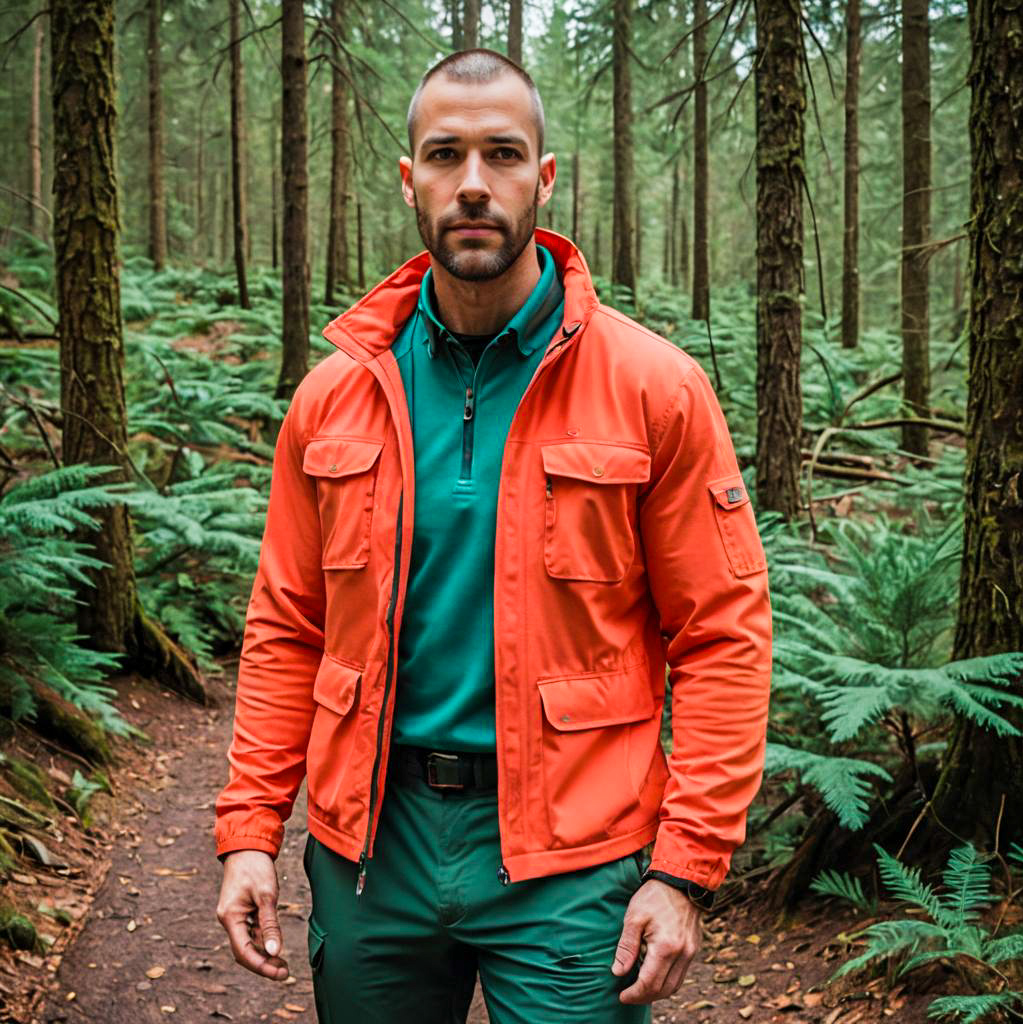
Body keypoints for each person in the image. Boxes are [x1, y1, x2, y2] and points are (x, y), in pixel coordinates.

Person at [214, 48, 772, 1024]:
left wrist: (683, 868)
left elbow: (724, 632)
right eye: (445, 154)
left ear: (544, 178)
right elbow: (287, 629)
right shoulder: (335, 395)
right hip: (369, 854)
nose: (473, 182)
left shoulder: (654, 388)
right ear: (409, 178)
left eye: (502, 153)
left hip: (574, 858)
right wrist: (251, 829)